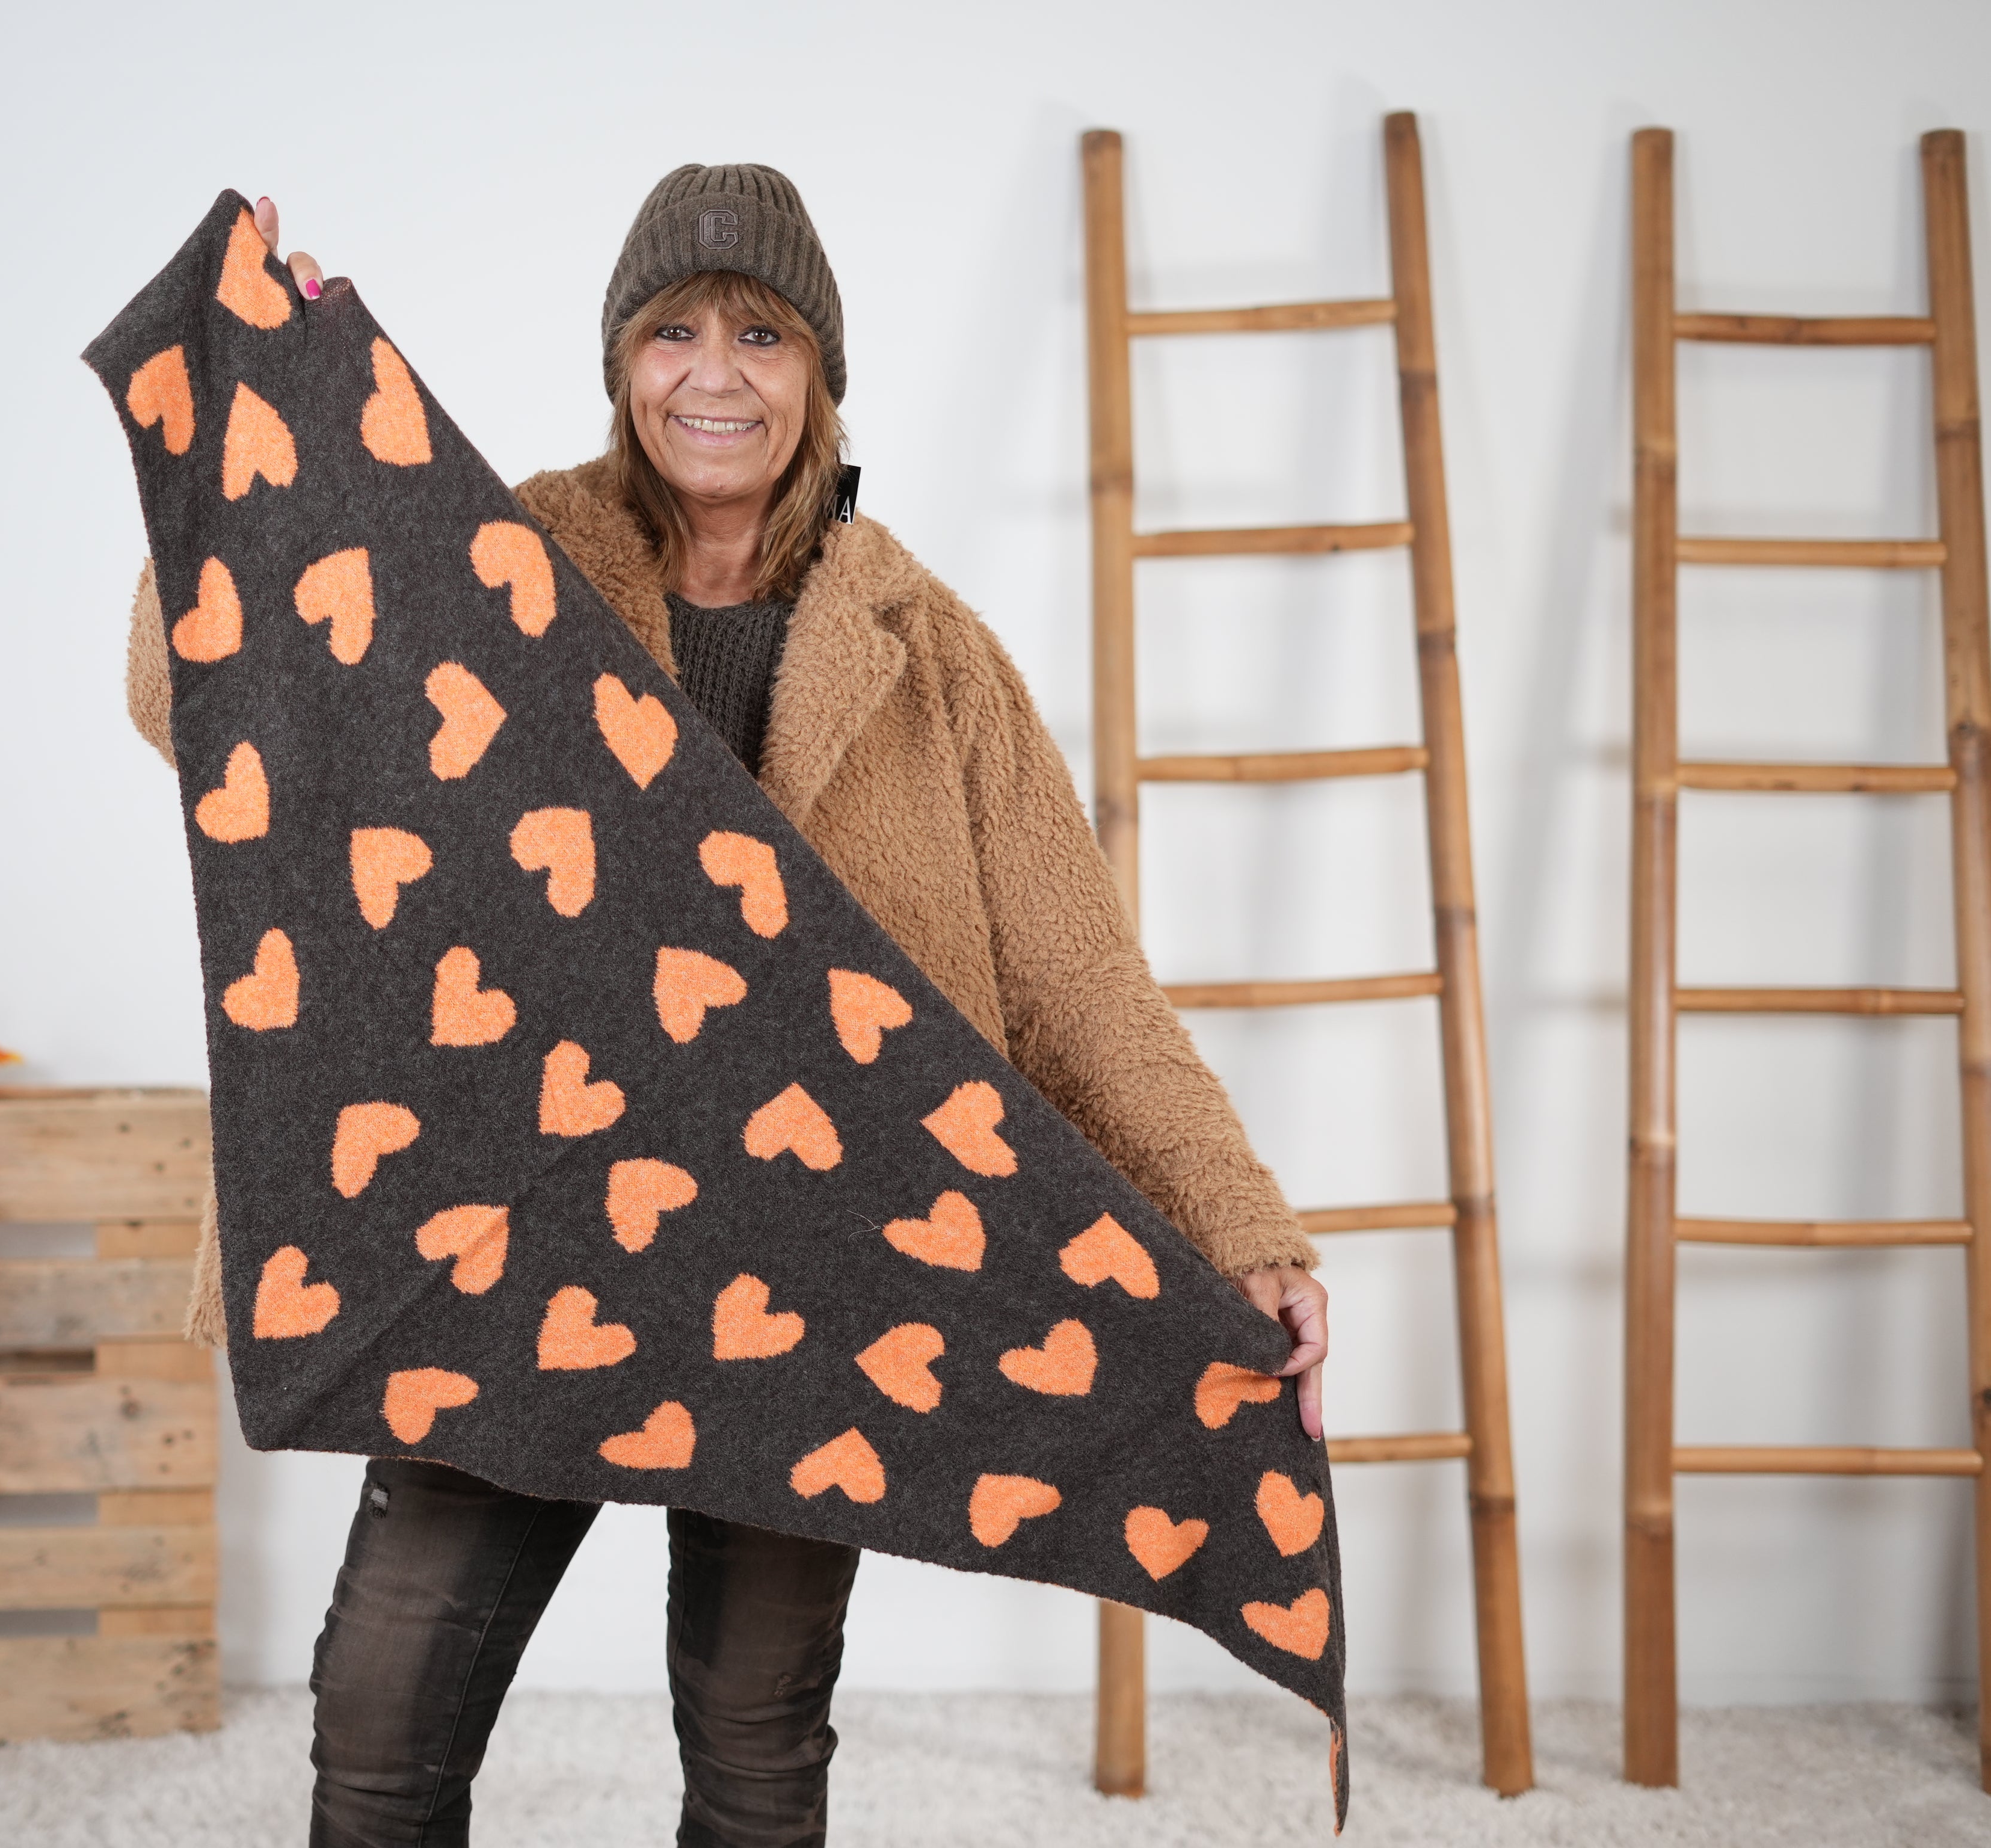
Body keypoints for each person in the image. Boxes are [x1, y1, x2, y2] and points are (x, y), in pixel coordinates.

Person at [124, 167, 1329, 1848]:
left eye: (760, 336)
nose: (714, 375)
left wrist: (1244, 1229)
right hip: (520, 1221)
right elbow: (203, 703)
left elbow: (1081, 986)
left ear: (819, 373)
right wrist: (269, 432)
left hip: (811, 1254)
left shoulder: (935, 656)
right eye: (672, 333)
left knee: (759, 1752)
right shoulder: (507, 554)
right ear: (622, 364)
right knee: (381, 1723)